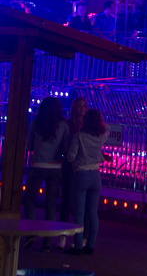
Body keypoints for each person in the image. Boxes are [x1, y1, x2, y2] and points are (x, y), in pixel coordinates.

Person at [24, 96, 70, 250]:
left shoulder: (36, 123)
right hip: (55, 168)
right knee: (51, 204)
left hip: (38, 165)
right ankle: (47, 242)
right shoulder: (63, 125)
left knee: (29, 200)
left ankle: (31, 234)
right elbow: (65, 147)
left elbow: (29, 146)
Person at [65, 107, 110, 256]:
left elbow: (71, 156)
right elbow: (107, 128)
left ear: (85, 121)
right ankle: (90, 245)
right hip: (96, 176)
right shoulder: (101, 136)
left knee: (79, 213)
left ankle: (78, 246)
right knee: (92, 213)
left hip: (81, 174)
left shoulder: (79, 136)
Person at [59, 96, 87, 242]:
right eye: (79, 106)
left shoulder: (88, 126)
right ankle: (62, 235)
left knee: (81, 204)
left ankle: (81, 238)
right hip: (69, 166)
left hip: (81, 166)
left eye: (84, 106)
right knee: (66, 200)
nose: (81, 108)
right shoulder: (68, 125)